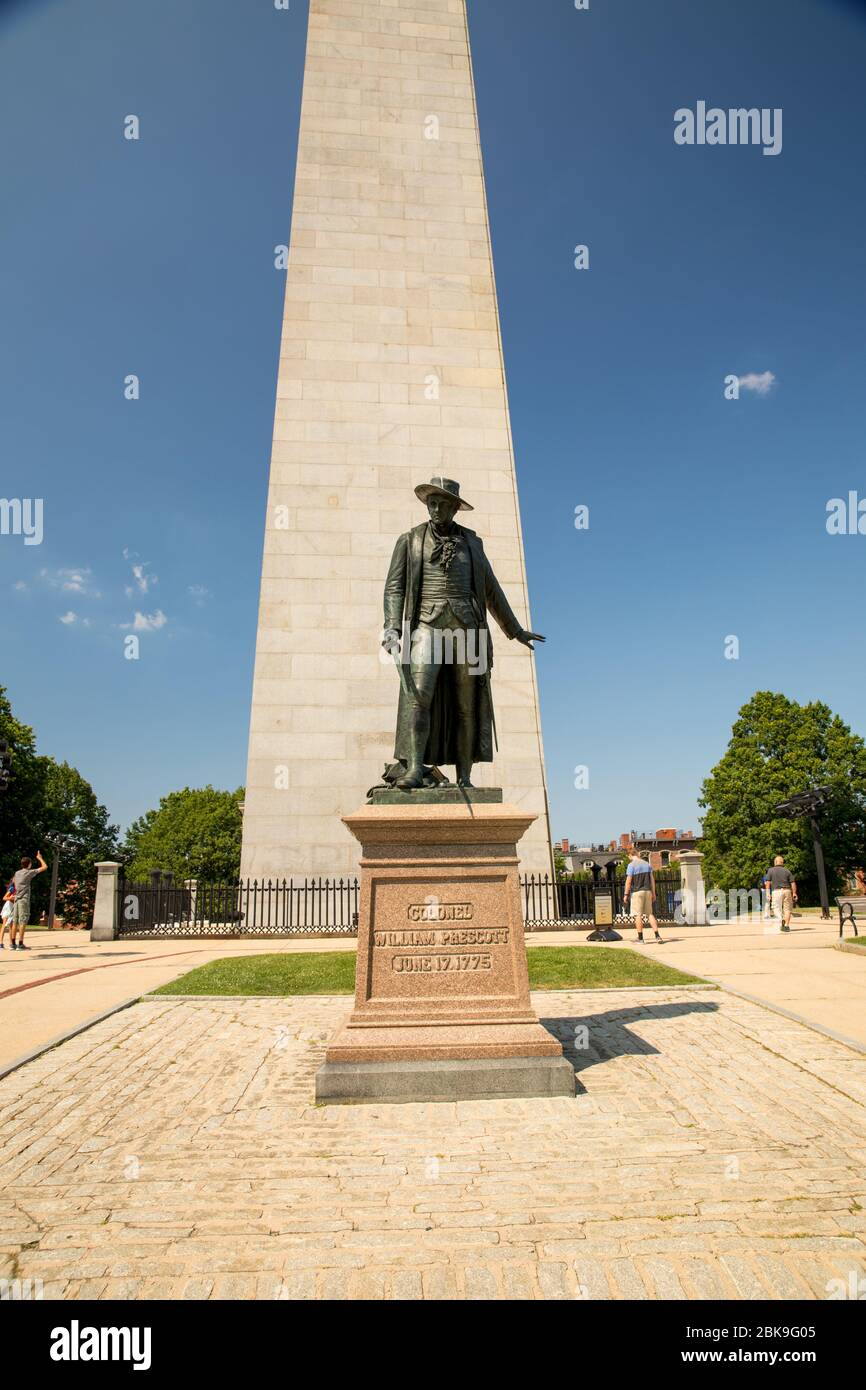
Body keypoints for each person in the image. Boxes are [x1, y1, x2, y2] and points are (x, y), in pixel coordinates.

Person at [9, 852, 48, 950]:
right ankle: (20, 944)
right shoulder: (29, 872)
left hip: (17, 899)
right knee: (23, 921)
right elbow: (44, 867)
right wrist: (40, 858)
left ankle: (12, 944)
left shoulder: (17, 873)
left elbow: (13, 882)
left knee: (15, 921)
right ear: (29, 864)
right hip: (23, 899)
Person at [624, 847, 663, 943]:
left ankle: (640, 938)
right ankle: (657, 936)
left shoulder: (631, 865)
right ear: (637, 854)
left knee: (638, 915)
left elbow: (628, 882)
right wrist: (654, 893)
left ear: (630, 855)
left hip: (637, 892)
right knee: (650, 914)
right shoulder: (647, 864)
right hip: (648, 891)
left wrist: (626, 894)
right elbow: (652, 880)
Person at [767, 854, 797, 932]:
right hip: (787, 891)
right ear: (782, 862)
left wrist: (768, 893)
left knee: (775, 908)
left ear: (776, 862)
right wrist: (794, 893)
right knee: (787, 909)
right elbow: (793, 883)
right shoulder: (787, 870)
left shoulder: (771, 870)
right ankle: (786, 926)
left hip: (776, 891)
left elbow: (768, 882)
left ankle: (781, 919)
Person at [0, 880, 14, 948]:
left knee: (11, 925)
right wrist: (10, 898)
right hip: (8, 906)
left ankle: (11, 943)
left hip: (13, 908)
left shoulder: (21, 889)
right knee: (4, 924)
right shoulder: (12, 888)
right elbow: (4, 898)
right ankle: (1, 943)